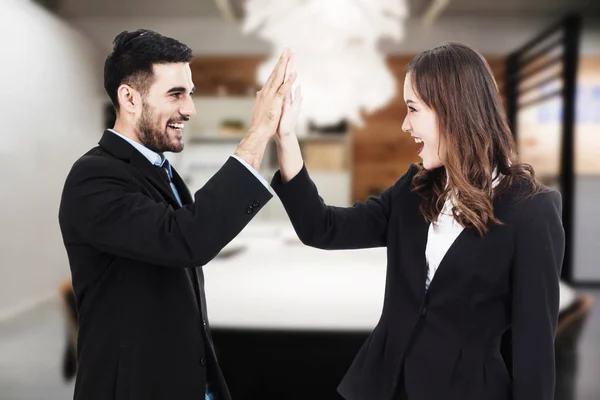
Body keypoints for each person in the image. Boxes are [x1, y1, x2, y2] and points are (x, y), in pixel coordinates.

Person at [271, 42, 565, 400]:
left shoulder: (532, 210)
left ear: (452, 110)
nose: (405, 124)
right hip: (379, 386)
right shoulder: (412, 190)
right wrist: (285, 138)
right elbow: (323, 228)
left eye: (413, 109)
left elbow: (534, 347)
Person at [58, 29, 296, 400]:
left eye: (190, 93)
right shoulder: (94, 178)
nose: (189, 109)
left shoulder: (162, 173)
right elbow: (187, 239)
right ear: (129, 98)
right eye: (175, 94)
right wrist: (259, 132)